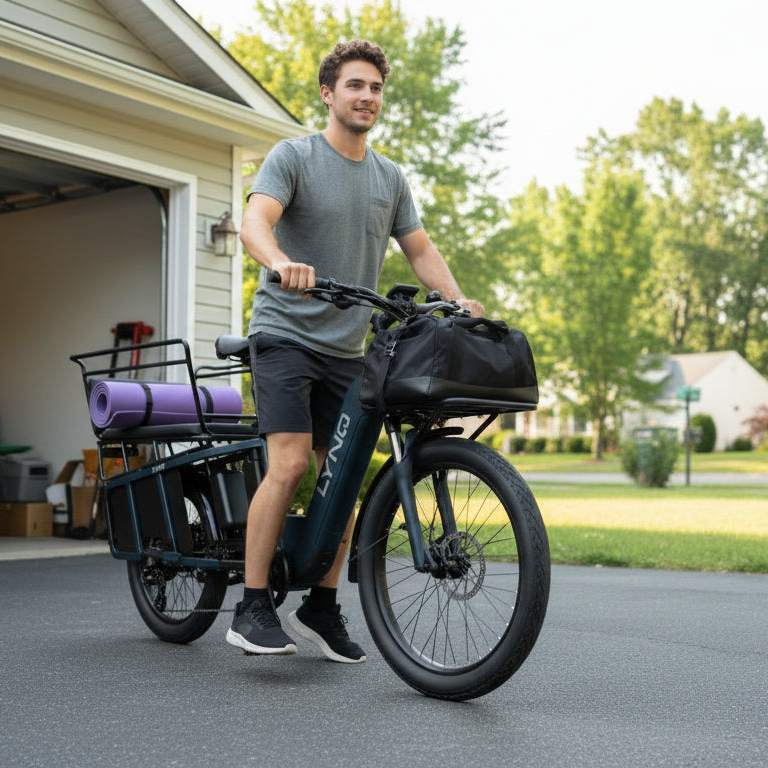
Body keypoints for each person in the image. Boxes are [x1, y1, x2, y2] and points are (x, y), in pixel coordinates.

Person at [226, 39, 484, 663]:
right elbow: (255, 220)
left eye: (374, 88)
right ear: (328, 93)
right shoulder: (295, 157)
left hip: (347, 350)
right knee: (290, 466)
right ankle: (252, 605)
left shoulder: (389, 177)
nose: (366, 97)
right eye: (354, 86)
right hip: (285, 335)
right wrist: (281, 261)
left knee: (340, 476)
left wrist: (457, 300)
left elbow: (418, 249)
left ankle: (320, 604)